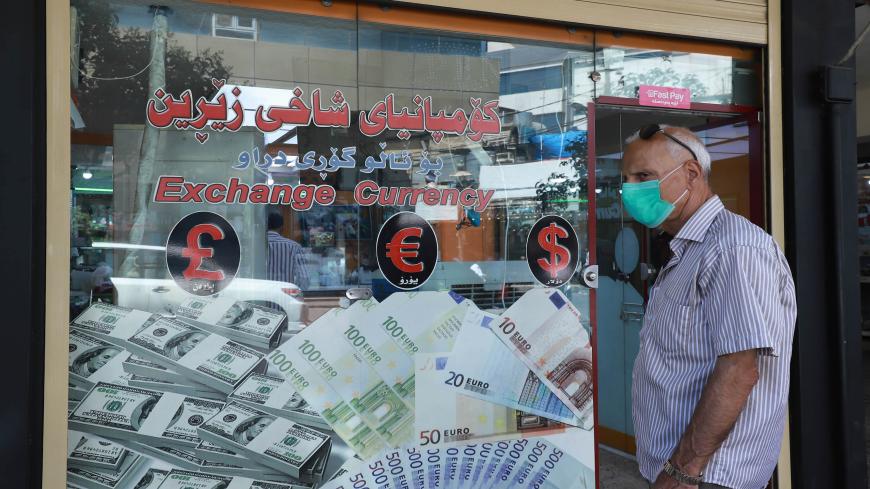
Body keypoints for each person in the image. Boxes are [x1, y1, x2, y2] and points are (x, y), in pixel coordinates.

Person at [622, 124, 796, 489]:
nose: (631, 189)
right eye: (626, 178)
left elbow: (739, 371)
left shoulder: (731, 249)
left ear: (691, 174)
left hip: (707, 477)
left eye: (644, 176)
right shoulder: (688, 250)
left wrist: (683, 470)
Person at [267, 212, 310, 290]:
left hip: (261, 298)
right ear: (282, 227)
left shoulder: (256, 247)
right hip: (285, 298)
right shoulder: (294, 246)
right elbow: (304, 278)